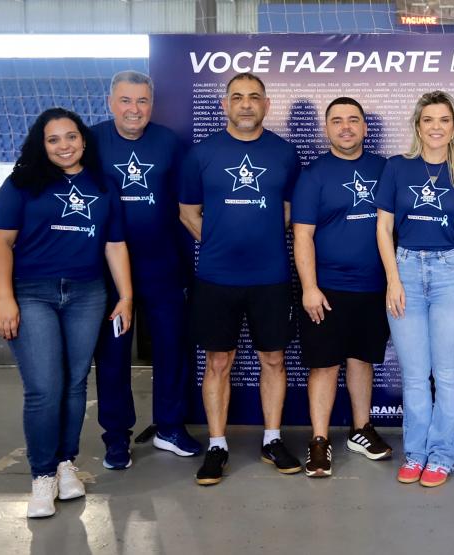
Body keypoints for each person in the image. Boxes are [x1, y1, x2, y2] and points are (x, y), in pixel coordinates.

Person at [0, 107, 133, 518]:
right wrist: (4, 298)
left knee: (74, 384)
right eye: (53, 140)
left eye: (70, 137)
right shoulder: (21, 185)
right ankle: (42, 475)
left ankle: (66, 463)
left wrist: (125, 296)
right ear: (42, 144)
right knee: (44, 388)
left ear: (83, 139)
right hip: (32, 293)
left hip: (88, 294)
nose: (64, 146)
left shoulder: (104, 185)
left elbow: (114, 245)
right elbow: (0, 244)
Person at [179, 72, 302, 486]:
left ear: (266, 105)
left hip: (271, 277)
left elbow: (290, 211)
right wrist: (218, 242)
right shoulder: (201, 154)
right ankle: (217, 445)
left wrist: (262, 237)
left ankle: (271, 439)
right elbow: (188, 213)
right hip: (216, 278)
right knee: (218, 361)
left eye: (254, 97)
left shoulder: (285, 153)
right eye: (237, 97)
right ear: (224, 105)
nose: (245, 104)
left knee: (274, 359)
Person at [91, 70, 200, 470]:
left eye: (141, 101)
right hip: (108, 274)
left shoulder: (170, 143)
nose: (133, 109)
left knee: (172, 348)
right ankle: (116, 437)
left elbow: (186, 205)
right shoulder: (91, 141)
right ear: (111, 102)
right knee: (113, 354)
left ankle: (169, 427)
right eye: (125, 100)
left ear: (151, 105)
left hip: (163, 267)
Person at [375, 90, 454, 488]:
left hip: (452, 272)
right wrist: (392, 279)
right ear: (417, 126)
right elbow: (384, 228)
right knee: (416, 374)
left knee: (448, 373)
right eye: (428, 120)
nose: (435, 127)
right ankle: (415, 453)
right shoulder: (397, 168)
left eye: (443, 120)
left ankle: (441, 455)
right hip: (405, 269)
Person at [291, 97, 393, 478]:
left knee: (361, 359)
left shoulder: (385, 169)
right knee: (324, 365)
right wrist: (309, 287)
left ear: (365, 127)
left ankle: (360, 430)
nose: (346, 127)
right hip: (328, 289)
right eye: (337, 121)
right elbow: (302, 236)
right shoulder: (314, 174)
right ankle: (319, 441)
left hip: (373, 288)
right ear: (327, 129)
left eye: (353, 120)